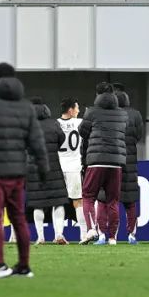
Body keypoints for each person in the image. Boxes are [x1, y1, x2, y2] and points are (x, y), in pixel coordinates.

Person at [0, 63, 48, 279]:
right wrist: (43, 168)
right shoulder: (26, 107)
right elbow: (37, 142)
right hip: (18, 172)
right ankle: (24, 266)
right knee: (19, 218)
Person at [78, 82, 128, 246]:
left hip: (96, 160)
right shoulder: (122, 114)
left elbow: (82, 132)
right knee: (113, 200)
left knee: (88, 196)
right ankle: (112, 238)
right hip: (116, 162)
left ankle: (92, 229)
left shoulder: (91, 112)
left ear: (97, 95)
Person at [26, 97, 71, 246]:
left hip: (34, 169)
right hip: (53, 167)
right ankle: (59, 234)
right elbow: (62, 140)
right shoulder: (54, 123)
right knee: (58, 202)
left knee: (38, 203)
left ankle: (40, 237)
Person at [114, 88, 145, 244]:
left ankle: (110, 235)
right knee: (130, 200)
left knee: (110, 200)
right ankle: (132, 234)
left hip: (114, 158)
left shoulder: (111, 114)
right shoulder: (136, 114)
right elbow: (139, 135)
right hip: (130, 159)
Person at [56, 98, 84, 238]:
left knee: (58, 202)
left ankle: (58, 234)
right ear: (70, 110)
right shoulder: (80, 123)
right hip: (75, 167)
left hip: (58, 167)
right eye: (77, 108)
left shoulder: (55, 124)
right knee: (78, 201)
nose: (78, 111)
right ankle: (83, 235)